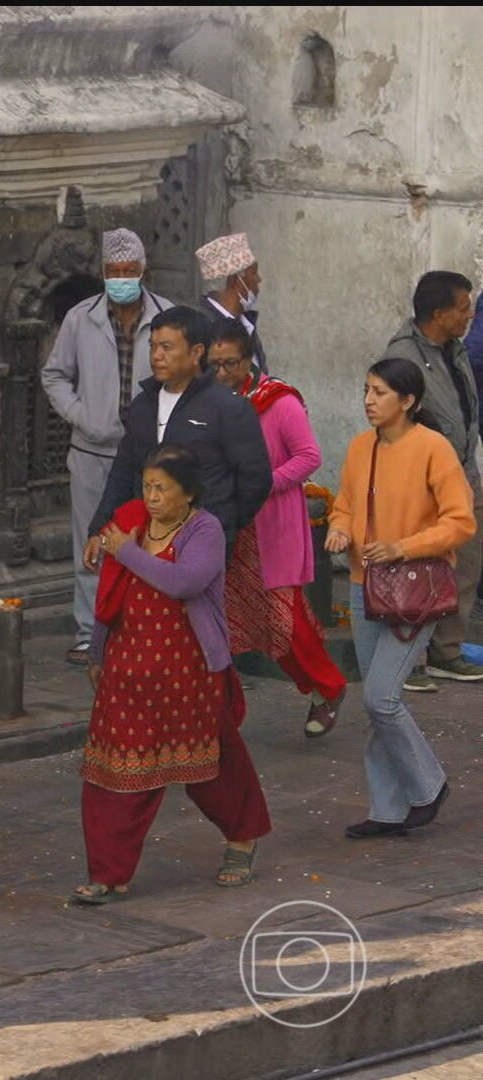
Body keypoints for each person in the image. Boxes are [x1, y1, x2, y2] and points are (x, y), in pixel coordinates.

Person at [74, 445, 272, 903]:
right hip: (127, 676)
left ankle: (241, 837)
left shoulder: (205, 530)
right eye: (147, 487)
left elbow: (185, 581)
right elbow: (109, 596)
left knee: (211, 766)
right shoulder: (131, 524)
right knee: (113, 772)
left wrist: (126, 551)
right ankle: (109, 872)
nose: (152, 497)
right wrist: (97, 654)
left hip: (190, 674)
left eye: (162, 488)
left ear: (188, 492)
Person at [326, 358, 476, 838]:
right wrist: (337, 529)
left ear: (408, 401)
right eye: (366, 390)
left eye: (380, 392)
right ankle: (389, 810)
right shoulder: (358, 448)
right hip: (363, 584)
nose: (369, 401)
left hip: (420, 588)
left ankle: (428, 786)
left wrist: (400, 547)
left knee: (381, 697)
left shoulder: (433, 448)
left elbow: (460, 521)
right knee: (378, 702)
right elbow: (344, 505)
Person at [41, 228, 176, 665]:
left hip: (149, 452)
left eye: (129, 271)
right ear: (103, 274)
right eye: (114, 271)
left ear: (143, 272)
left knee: (148, 538)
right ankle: (88, 631)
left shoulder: (166, 317)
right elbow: (55, 374)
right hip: (91, 448)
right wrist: (83, 416)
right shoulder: (82, 318)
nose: (122, 278)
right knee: (90, 539)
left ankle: (139, 626)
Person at [206, 324, 347, 733]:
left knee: (286, 621)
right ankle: (226, 711)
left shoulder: (278, 402)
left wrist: (265, 483)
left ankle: (328, 685)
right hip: (232, 527)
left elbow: (308, 457)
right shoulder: (211, 403)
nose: (222, 373)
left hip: (273, 524)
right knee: (240, 622)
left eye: (230, 363)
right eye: (214, 365)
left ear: (249, 358)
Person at [85, 305, 272, 561]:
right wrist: (99, 528)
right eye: (153, 346)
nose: (156, 356)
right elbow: (124, 469)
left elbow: (256, 479)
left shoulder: (228, 407)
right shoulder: (143, 405)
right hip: (144, 539)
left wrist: (221, 523)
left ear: (196, 352)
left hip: (200, 544)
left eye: (167, 347)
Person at [378, 271, 483, 689]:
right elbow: (391, 421)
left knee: (466, 565)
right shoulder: (402, 356)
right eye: (463, 308)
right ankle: (411, 658)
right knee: (419, 568)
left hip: (464, 472)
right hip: (422, 479)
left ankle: (447, 651)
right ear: (438, 314)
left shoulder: (454, 350)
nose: (470, 315)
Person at [196, 232, 268, 374]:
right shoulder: (202, 325)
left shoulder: (246, 323)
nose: (259, 279)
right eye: (253, 273)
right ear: (235, 280)